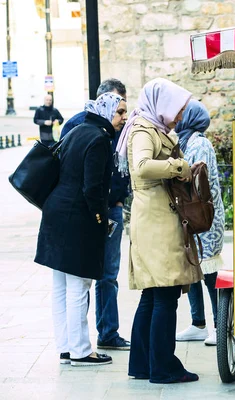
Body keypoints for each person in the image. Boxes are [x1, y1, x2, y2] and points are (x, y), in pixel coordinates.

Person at [117, 78, 202, 384]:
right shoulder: (143, 130)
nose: (180, 116)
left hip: (154, 218)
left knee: (153, 296)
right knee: (164, 295)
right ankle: (164, 367)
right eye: (177, 109)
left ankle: (142, 364)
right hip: (155, 221)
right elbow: (141, 166)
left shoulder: (153, 128)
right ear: (162, 104)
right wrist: (178, 166)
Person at [34, 92, 128, 366]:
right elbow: (93, 187)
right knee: (79, 285)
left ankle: (66, 348)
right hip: (77, 219)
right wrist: (101, 219)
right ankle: (81, 351)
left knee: (61, 285)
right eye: (120, 111)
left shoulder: (78, 131)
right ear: (107, 110)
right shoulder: (99, 139)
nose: (123, 117)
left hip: (56, 215)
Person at [61, 79, 131, 351]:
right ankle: (79, 341)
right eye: (116, 106)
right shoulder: (79, 124)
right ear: (100, 100)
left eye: (123, 106)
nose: (121, 115)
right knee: (82, 278)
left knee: (109, 274)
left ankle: (108, 332)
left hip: (112, 205)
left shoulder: (121, 127)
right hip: (88, 209)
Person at [175, 100, 224, 346]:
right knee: (193, 268)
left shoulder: (200, 143)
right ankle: (198, 323)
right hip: (191, 216)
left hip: (205, 217)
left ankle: (218, 325)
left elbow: (197, 177)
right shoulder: (186, 141)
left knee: (210, 271)